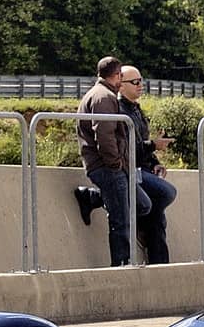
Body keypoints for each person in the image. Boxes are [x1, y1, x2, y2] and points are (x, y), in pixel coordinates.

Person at [74, 56, 133, 267]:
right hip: (107, 167)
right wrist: (115, 163)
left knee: (138, 205)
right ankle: (121, 264)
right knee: (120, 220)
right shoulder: (105, 97)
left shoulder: (98, 94)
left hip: (103, 164)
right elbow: (105, 135)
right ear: (117, 75)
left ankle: (92, 197)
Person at [118, 64, 177, 264]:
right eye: (134, 82)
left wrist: (155, 163)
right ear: (121, 85)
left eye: (141, 81)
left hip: (142, 168)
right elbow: (127, 147)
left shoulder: (136, 109)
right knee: (167, 192)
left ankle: (160, 265)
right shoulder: (119, 110)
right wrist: (154, 145)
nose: (140, 85)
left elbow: (142, 144)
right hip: (130, 170)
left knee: (158, 217)